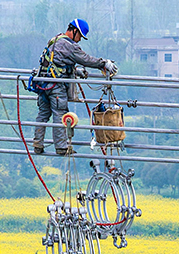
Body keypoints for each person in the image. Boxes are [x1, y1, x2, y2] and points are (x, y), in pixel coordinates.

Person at [32, 18, 118, 156]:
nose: (79, 40)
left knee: (43, 115)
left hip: (43, 83)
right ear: (74, 31)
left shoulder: (55, 40)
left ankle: (37, 145)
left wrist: (76, 72)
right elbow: (85, 59)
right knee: (60, 115)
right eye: (80, 36)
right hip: (56, 86)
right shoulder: (70, 46)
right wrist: (104, 63)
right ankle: (61, 147)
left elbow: (58, 63)